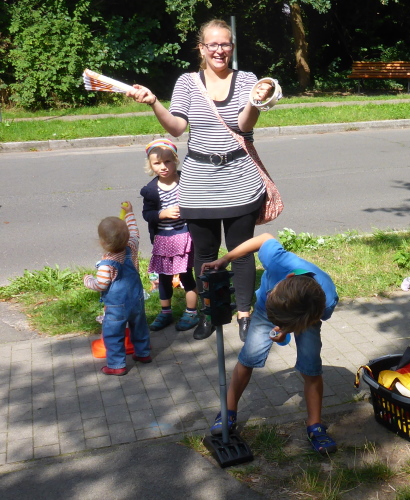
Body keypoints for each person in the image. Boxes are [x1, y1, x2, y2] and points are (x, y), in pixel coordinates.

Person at [127, 19, 275, 342]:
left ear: (232, 47)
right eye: (213, 44)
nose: (219, 50)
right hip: (198, 184)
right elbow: (177, 127)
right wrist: (154, 102)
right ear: (202, 48)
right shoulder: (187, 82)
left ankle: (244, 314)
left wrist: (255, 100)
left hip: (239, 179)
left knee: (241, 252)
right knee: (204, 255)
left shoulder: (247, 79)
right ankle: (208, 313)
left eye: (225, 44)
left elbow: (244, 125)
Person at [202, 233, 340, 455]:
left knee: (311, 366)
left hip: (305, 318)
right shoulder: (278, 261)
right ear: (288, 277)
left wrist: (287, 329)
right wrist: (226, 259)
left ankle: (315, 425)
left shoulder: (326, 300)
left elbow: (306, 319)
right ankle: (228, 411)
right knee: (249, 356)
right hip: (267, 310)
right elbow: (264, 237)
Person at [84, 202, 152, 376]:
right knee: (139, 326)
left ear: (102, 242)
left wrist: (88, 280)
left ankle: (116, 365)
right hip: (136, 299)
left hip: (116, 306)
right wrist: (129, 213)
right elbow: (135, 232)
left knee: (113, 334)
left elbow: (101, 285)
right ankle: (143, 353)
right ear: (127, 236)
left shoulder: (107, 264)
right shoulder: (132, 246)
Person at [140, 139, 201, 331]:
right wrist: (162, 214)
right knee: (164, 277)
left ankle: (191, 312)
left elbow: (198, 202)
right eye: (157, 163)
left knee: (186, 276)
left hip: (184, 237)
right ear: (151, 166)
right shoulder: (151, 190)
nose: (163, 166)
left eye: (168, 161)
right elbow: (147, 214)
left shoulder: (186, 181)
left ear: (175, 161)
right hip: (163, 240)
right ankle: (165, 312)